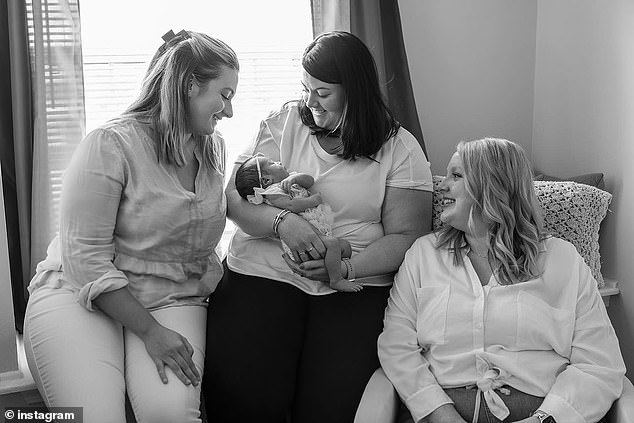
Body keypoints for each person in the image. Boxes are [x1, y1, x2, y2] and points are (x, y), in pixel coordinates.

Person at [203, 30, 433, 423]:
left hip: (352, 284)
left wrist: (345, 268)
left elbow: (407, 236)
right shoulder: (284, 122)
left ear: (354, 91)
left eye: (322, 92)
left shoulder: (400, 148)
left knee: (330, 407)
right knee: (244, 396)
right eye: (306, 89)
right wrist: (283, 222)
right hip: (262, 274)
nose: (310, 101)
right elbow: (237, 197)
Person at [23, 29, 238, 423]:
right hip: (81, 295)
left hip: (171, 295)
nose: (228, 111)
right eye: (224, 95)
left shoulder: (214, 149)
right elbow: (84, 259)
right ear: (191, 85)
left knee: (169, 415)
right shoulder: (110, 144)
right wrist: (150, 332)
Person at [378, 138, 626, 423]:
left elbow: (599, 364)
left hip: (543, 412)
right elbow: (397, 346)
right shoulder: (423, 256)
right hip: (441, 412)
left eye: (456, 176)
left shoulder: (562, 261)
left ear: (493, 187)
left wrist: (544, 420)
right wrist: (440, 414)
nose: (441, 186)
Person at [235, 153, 361, 292]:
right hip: (303, 240)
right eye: (272, 163)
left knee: (345, 247)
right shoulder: (273, 192)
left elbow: (310, 181)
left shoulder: (289, 179)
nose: (278, 162)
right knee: (333, 244)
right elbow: (291, 206)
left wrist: (295, 177)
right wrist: (313, 201)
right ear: (266, 180)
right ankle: (335, 280)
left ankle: (331, 269)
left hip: (315, 231)